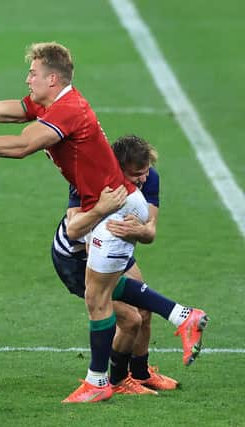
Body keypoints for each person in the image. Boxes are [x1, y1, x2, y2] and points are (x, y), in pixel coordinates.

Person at [0, 43, 207, 402]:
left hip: (114, 209)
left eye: (33, 74)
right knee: (104, 293)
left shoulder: (68, 110)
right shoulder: (50, 103)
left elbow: (22, 146)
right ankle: (177, 318)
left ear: (52, 79)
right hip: (111, 205)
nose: (28, 79)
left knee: (98, 297)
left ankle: (101, 381)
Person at [53, 135, 206, 396]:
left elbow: (150, 233)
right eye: (136, 175)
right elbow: (74, 228)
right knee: (131, 319)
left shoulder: (150, 179)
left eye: (145, 172)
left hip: (116, 247)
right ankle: (118, 379)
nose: (143, 180)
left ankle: (141, 373)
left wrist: (138, 230)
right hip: (78, 258)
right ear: (117, 170)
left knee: (143, 315)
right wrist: (103, 209)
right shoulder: (89, 178)